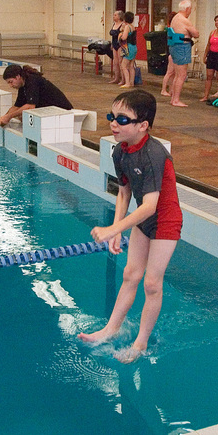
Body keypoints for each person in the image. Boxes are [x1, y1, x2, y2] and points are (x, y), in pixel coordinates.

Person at [78, 89, 182, 364]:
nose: (113, 123)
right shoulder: (120, 151)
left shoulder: (153, 155)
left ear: (143, 125)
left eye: (122, 119)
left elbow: (150, 205)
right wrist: (118, 228)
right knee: (130, 275)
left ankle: (140, 344)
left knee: (151, 284)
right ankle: (110, 330)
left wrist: (112, 231)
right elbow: (124, 192)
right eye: (112, 116)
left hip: (166, 222)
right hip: (145, 220)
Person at [0, 64, 73, 126]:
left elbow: (30, 107)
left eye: (11, 82)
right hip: (51, 113)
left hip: (64, 112)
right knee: (21, 115)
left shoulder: (32, 81)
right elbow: (17, 106)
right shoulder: (22, 85)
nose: (10, 85)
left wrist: (9, 116)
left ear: (17, 77)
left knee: (22, 114)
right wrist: (4, 117)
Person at [167, 0, 199, 107]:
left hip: (174, 46)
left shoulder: (175, 18)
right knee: (182, 74)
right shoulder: (184, 20)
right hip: (182, 47)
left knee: (177, 74)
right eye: (190, 9)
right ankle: (176, 100)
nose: (190, 11)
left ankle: (173, 98)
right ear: (187, 9)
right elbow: (196, 34)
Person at [118, 11, 138, 88]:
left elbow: (124, 37)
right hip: (134, 47)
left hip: (128, 47)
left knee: (124, 66)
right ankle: (131, 82)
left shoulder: (127, 27)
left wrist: (121, 32)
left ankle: (127, 82)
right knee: (131, 66)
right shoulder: (133, 27)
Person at [160, 12, 178, 97]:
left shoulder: (169, 29)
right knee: (170, 72)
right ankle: (163, 89)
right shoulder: (172, 30)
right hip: (172, 52)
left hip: (170, 51)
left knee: (172, 74)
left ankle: (171, 90)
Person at [108, 11, 124, 84]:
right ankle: (116, 78)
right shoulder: (114, 24)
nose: (113, 16)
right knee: (115, 62)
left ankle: (123, 79)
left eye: (115, 15)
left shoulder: (123, 25)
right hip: (114, 44)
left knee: (121, 62)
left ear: (119, 16)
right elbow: (113, 35)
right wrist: (112, 44)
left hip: (120, 44)